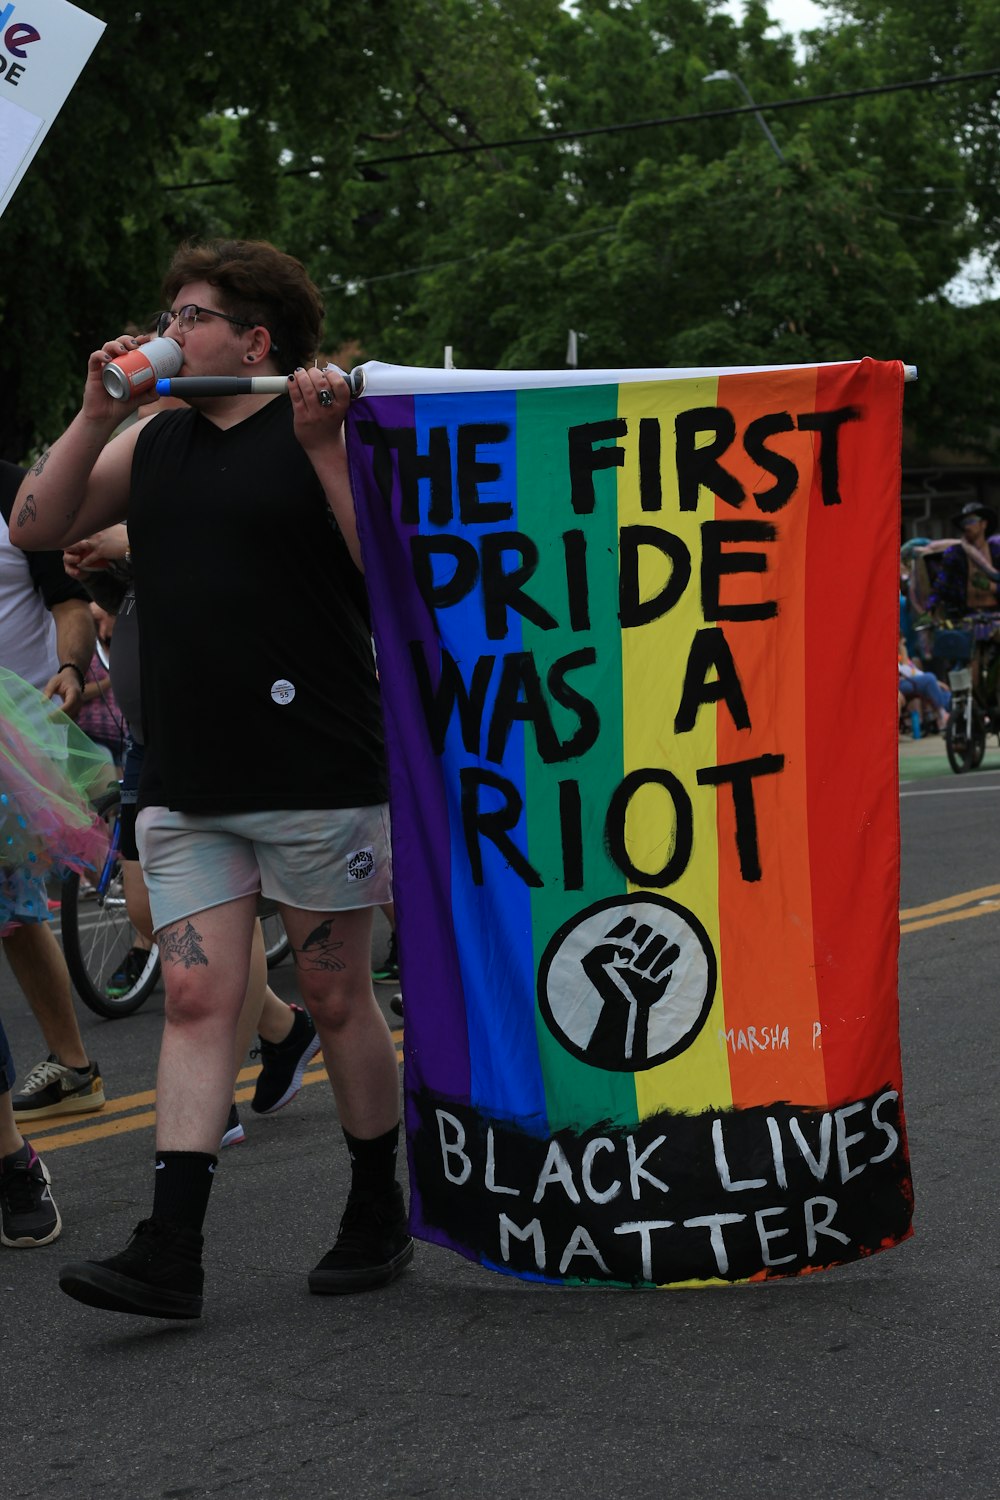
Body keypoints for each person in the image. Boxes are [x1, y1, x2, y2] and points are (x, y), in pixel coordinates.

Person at [13, 238, 408, 1319]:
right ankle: (169, 1248)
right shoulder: (152, 439)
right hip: (186, 773)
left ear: (254, 338)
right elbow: (36, 526)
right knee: (195, 996)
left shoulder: (320, 425)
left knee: (333, 995)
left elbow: (393, 573)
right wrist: (94, 411)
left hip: (317, 766)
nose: (167, 332)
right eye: (168, 314)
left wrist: (328, 448)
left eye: (190, 315)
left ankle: (378, 1200)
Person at [0, 461, 106, 1122]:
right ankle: (272, 1023)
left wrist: (71, 668)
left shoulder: (16, 493)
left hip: (21, 744)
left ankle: (70, 1065)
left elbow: (70, 603)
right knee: (13, 914)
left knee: (13, 910)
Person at [926, 502, 1000, 619]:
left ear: (983, 524)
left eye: (971, 521)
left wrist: (993, 587)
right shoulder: (955, 553)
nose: (966, 526)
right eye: (964, 523)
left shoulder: (996, 552)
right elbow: (941, 585)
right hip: (965, 617)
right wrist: (929, 609)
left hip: (996, 615)